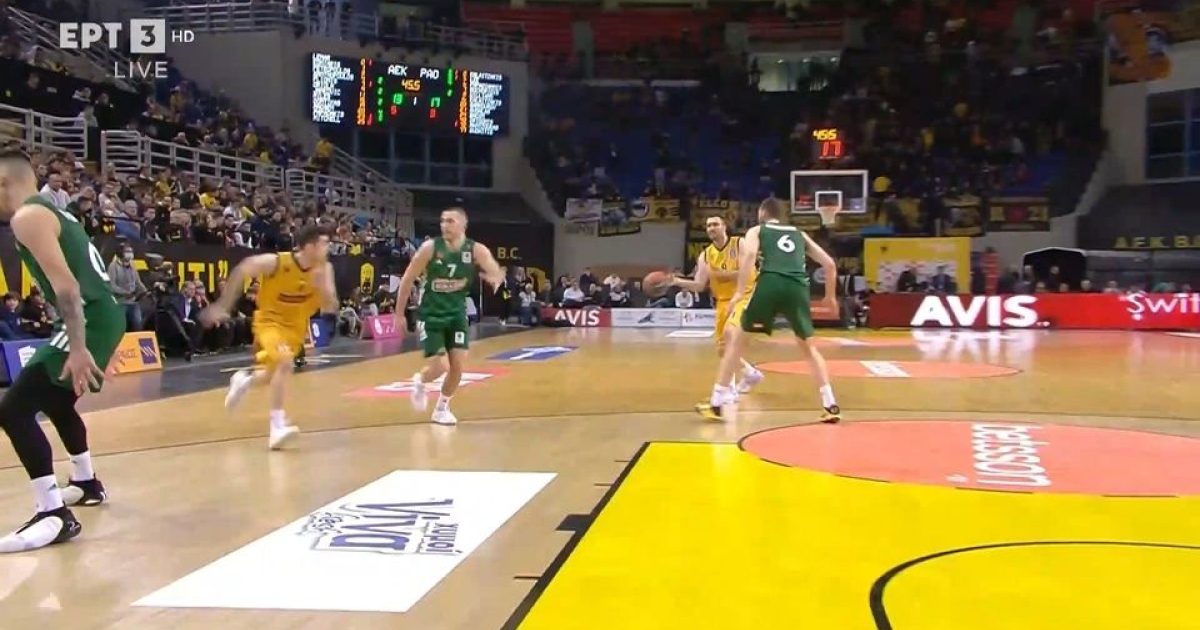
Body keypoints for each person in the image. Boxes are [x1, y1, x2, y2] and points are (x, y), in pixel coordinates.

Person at [0, 147, 124, 553]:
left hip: (89, 317)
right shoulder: (57, 212)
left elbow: (68, 288)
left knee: (12, 409)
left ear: (4, 183)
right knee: (56, 401)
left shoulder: (27, 217)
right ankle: (86, 483)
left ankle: (53, 515)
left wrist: (80, 346)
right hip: (102, 314)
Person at [696, 198, 841, 423]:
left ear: (763, 212)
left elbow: (749, 257)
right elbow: (829, 264)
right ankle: (830, 404)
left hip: (770, 283)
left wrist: (739, 292)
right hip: (797, 287)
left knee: (735, 342)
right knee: (809, 349)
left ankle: (717, 402)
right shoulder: (799, 233)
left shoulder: (757, 230)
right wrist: (830, 297)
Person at [201, 224, 338, 449]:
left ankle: (244, 380)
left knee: (271, 374)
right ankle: (276, 427)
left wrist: (323, 289)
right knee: (285, 363)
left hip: (296, 329)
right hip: (270, 323)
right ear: (309, 246)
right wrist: (223, 305)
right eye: (324, 243)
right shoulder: (276, 263)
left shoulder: (325, 269)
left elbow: (330, 307)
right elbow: (243, 269)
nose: (328, 248)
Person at [396, 208, 504, 426]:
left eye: (450, 221)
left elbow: (496, 270)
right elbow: (407, 279)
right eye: (442, 221)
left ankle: (441, 409)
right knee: (442, 366)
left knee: (457, 367)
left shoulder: (476, 250)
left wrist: (495, 277)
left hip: (456, 315)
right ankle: (420, 380)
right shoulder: (430, 248)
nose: (444, 225)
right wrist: (399, 314)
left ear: (463, 225)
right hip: (431, 314)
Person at [669, 214, 764, 393]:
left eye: (715, 224)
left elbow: (747, 272)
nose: (711, 228)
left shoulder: (739, 244)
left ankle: (727, 390)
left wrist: (717, 274)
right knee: (722, 349)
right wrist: (676, 281)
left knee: (730, 337)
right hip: (722, 301)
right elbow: (699, 285)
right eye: (708, 226)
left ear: (724, 227)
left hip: (744, 297)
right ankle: (749, 373)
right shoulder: (705, 255)